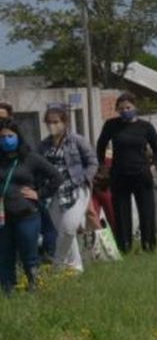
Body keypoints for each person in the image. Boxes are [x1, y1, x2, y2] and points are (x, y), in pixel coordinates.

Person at [1, 118, 63, 294]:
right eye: (2, 137)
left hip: (27, 215)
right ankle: (7, 291)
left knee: (29, 256)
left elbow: (57, 177)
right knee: (5, 256)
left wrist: (40, 193)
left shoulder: (30, 158)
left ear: (18, 137)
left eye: (10, 136)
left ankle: (35, 288)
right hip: (3, 217)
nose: (6, 140)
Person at [95, 93, 157, 253]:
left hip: (142, 174)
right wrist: (103, 165)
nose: (125, 111)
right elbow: (100, 146)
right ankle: (124, 245)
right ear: (117, 110)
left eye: (128, 108)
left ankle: (148, 244)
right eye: (121, 108)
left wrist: (154, 165)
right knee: (121, 212)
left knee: (147, 211)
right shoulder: (111, 125)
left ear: (135, 108)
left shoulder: (145, 127)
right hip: (119, 174)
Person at [38, 105, 98, 273]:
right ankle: (76, 268)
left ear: (64, 122)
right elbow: (37, 168)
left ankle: (57, 264)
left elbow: (92, 161)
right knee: (64, 233)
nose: (52, 125)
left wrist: (85, 178)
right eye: (49, 122)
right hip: (53, 193)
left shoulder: (77, 140)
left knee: (70, 227)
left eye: (56, 122)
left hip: (76, 188)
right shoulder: (43, 145)